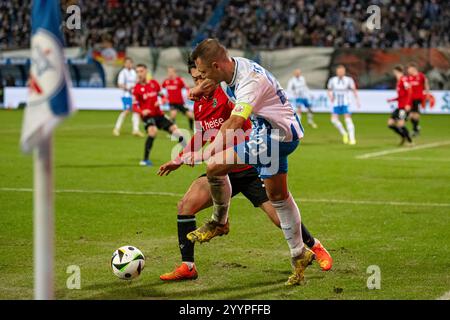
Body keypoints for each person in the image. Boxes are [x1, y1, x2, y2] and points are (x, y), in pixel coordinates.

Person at [157, 59, 333, 281]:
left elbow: (245, 126)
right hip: (223, 171)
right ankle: (188, 266)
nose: (200, 82)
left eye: (203, 77)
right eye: (195, 79)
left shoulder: (229, 93)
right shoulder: (199, 104)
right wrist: (180, 158)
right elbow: (201, 135)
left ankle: (315, 247)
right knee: (185, 205)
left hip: (250, 167)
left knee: (280, 217)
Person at [186, 39, 316, 286]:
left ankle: (219, 222)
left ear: (215, 65)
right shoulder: (233, 67)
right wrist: (200, 88)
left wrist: (205, 152)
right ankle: (299, 254)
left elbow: (234, 124)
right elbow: (214, 80)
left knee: (214, 165)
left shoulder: (248, 83)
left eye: (203, 73)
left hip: (275, 136)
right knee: (278, 196)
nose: (202, 78)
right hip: (279, 132)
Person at [132, 64, 185, 166]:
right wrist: (141, 111)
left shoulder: (154, 84)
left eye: (141, 71)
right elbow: (134, 106)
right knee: (153, 132)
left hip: (159, 115)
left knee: (176, 130)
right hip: (148, 116)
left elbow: (164, 97)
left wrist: (162, 101)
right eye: (137, 72)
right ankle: (145, 160)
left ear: (146, 71)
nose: (139, 74)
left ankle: (188, 153)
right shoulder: (137, 88)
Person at [327, 65, 360, 145]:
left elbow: (354, 90)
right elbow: (329, 90)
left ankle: (352, 139)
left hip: (346, 102)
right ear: (337, 72)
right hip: (336, 103)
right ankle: (344, 133)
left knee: (348, 119)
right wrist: (330, 96)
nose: (340, 73)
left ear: (344, 72)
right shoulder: (332, 80)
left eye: (342, 71)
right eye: (339, 71)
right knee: (333, 120)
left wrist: (357, 100)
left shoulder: (349, 80)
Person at [113, 57, 144, 137]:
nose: (128, 64)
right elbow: (120, 84)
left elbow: (137, 82)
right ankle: (116, 128)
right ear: (124, 64)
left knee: (136, 111)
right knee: (126, 111)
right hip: (126, 95)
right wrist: (128, 88)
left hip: (134, 95)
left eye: (130, 63)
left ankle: (135, 130)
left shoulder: (134, 72)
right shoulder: (123, 73)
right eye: (127, 63)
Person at [387, 65, 413, 146]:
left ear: (397, 72)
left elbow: (410, 92)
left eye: (395, 72)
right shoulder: (398, 82)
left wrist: (408, 104)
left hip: (403, 107)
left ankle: (410, 141)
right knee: (390, 124)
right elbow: (401, 96)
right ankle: (403, 137)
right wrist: (392, 100)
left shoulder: (404, 80)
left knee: (401, 124)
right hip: (399, 107)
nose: (394, 74)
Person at [162, 66, 195, 130]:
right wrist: (164, 98)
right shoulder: (166, 81)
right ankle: (173, 129)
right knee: (173, 115)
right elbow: (161, 90)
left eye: (171, 72)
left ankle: (191, 128)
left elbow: (186, 87)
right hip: (172, 103)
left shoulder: (179, 80)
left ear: (175, 73)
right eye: (169, 72)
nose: (170, 73)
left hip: (180, 103)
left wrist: (190, 93)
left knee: (191, 116)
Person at [407, 63, 429, 136]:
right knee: (410, 115)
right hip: (410, 99)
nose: (408, 71)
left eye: (409, 69)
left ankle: (415, 130)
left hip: (418, 98)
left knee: (415, 114)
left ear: (413, 69)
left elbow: (426, 84)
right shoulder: (409, 77)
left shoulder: (421, 76)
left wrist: (427, 94)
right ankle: (416, 128)